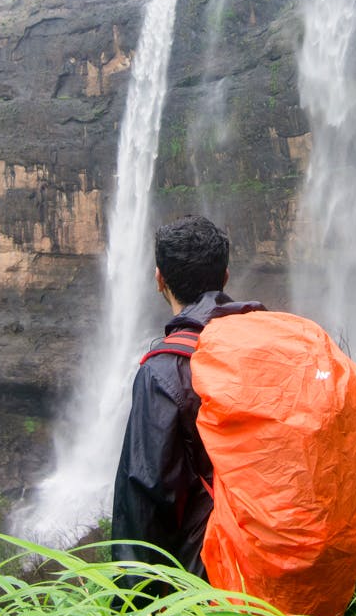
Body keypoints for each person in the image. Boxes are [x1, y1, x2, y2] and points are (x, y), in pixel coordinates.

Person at [110, 214, 261, 593]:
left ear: (159, 278)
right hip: (278, 554)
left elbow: (143, 506)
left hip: (214, 587)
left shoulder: (164, 371)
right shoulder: (265, 345)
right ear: (225, 277)